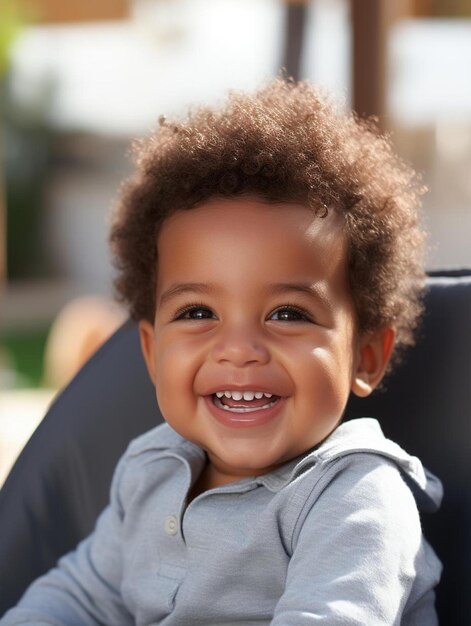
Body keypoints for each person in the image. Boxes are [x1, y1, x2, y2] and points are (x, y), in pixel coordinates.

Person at [1, 79, 442, 625]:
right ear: (151, 351)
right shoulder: (151, 471)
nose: (239, 349)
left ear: (366, 357)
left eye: (288, 314)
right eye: (197, 313)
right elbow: (82, 595)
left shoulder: (354, 498)